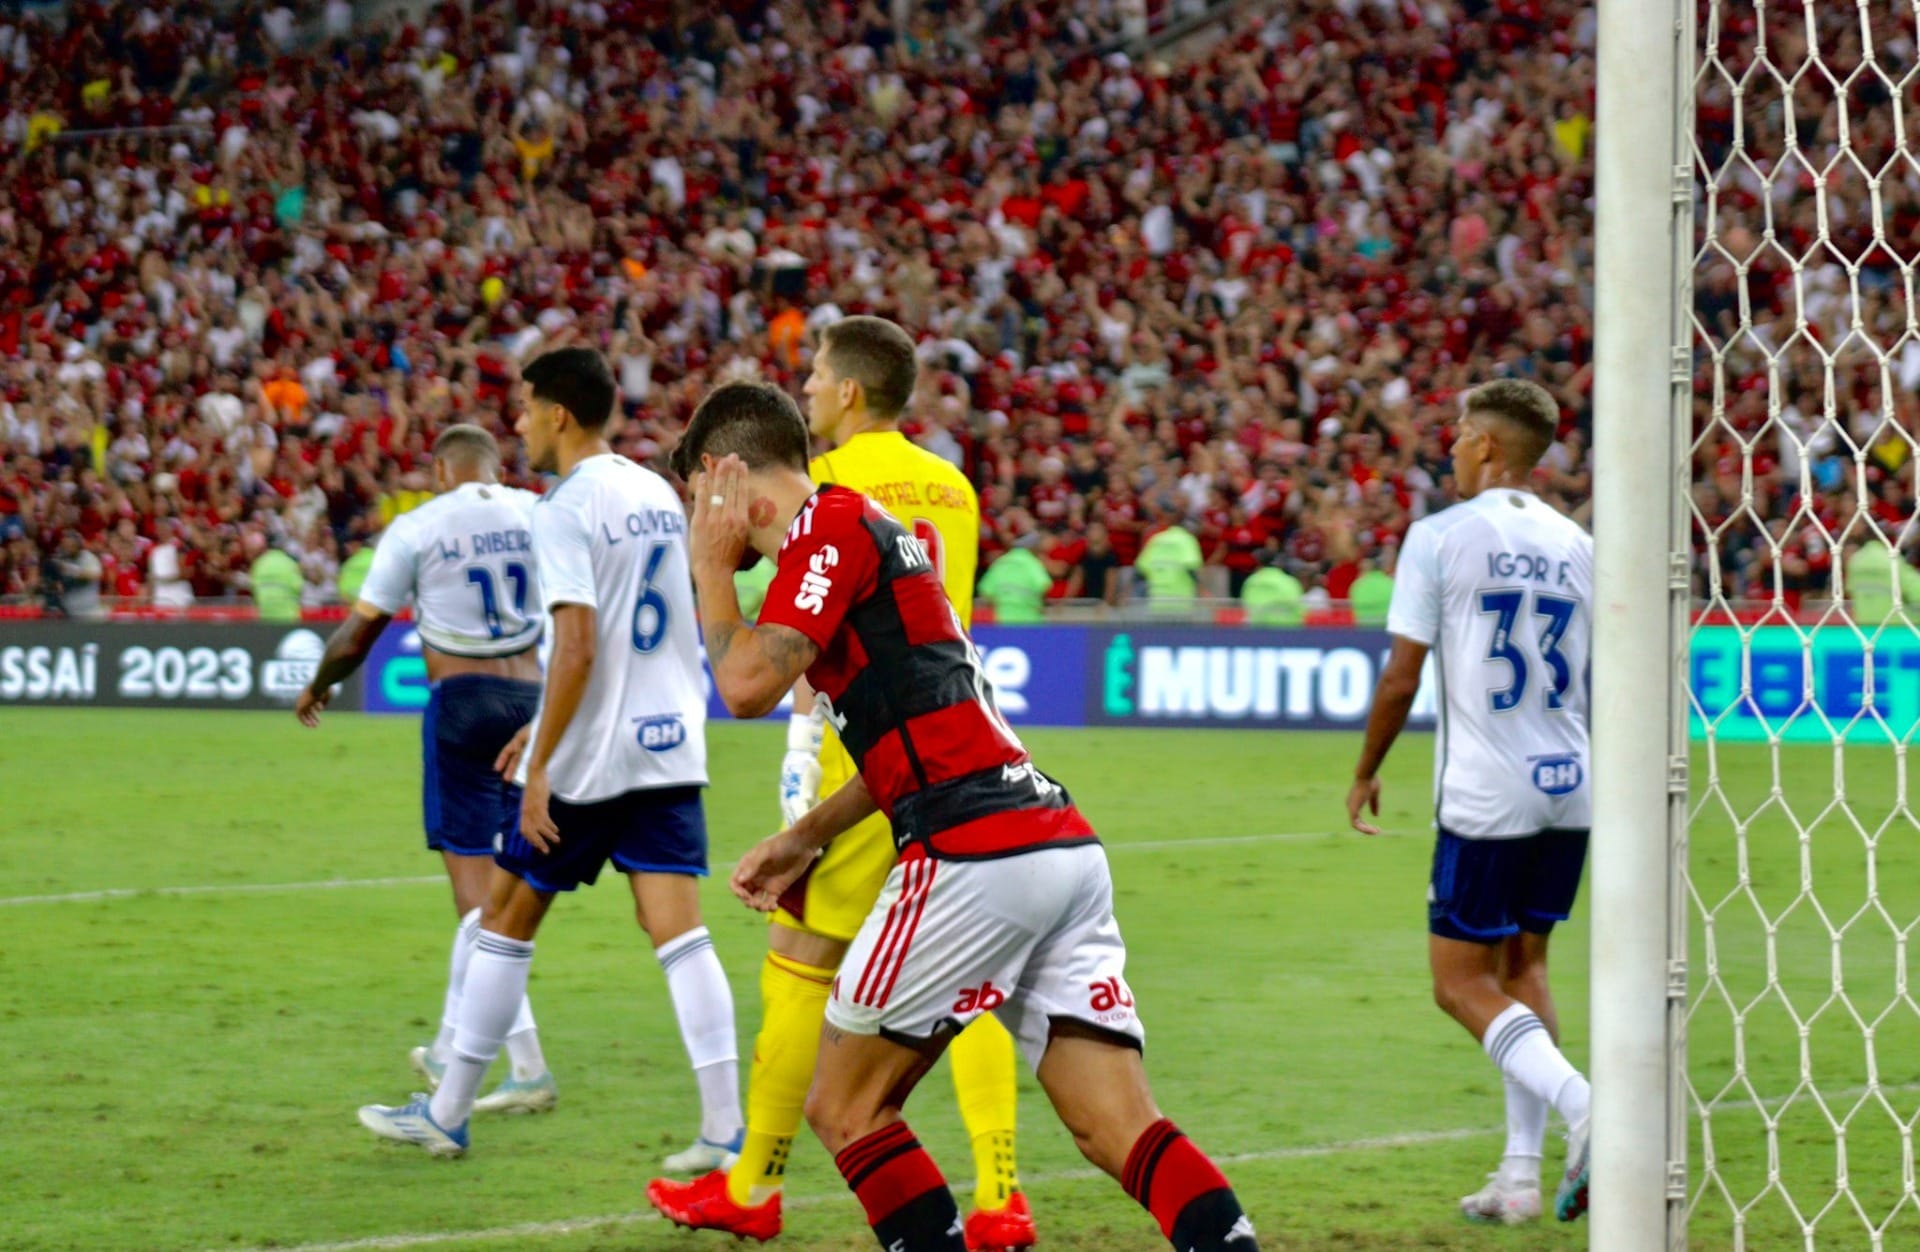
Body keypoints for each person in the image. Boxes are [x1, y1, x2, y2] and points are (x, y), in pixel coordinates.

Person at [670, 380, 1259, 1252]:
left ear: (723, 475)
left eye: (697, 497)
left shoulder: (826, 530)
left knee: (847, 1105)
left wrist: (710, 567)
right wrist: (805, 835)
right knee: (1114, 1126)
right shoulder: (871, 532)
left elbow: (747, 685)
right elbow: (918, 737)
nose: (696, 517)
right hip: (1050, 843)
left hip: (969, 852)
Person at [648, 316, 1034, 1251]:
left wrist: (800, 773)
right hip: (953, 731)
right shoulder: (951, 484)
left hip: (854, 753)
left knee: (797, 961)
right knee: (969, 972)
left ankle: (755, 1183)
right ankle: (999, 1194)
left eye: (817, 375)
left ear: (850, 393)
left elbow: (786, 651)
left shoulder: (825, 491)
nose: (811, 389)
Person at [356, 348, 743, 1165]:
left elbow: (573, 644)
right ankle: (723, 1126)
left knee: (504, 916)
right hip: (668, 740)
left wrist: (540, 769)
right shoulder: (652, 490)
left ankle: (448, 1111)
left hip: (592, 760)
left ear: (559, 415)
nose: (522, 424)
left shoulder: (562, 507)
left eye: (529, 408)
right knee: (677, 930)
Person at [1345, 379, 1595, 1225]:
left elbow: (1402, 675)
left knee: (1458, 983)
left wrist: (1366, 766)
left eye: (1457, 434)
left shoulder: (1441, 536)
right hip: (1571, 781)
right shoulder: (1578, 545)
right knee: (1524, 967)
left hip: (1489, 790)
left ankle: (1589, 1110)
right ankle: (1521, 1178)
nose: (1449, 446)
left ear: (1488, 447)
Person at [296, 424, 555, 1116]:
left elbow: (360, 632)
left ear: (441, 468)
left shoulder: (420, 525)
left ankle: (521, 1064)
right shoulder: (536, 512)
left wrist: (320, 683)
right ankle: (457, 1049)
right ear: (496, 469)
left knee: (477, 900)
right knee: (504, 894)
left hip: (463, 707)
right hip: (534, 705)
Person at [977, 542, 1053, 624]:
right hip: (1030, 618)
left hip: (1004, 618)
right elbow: (1044, 585)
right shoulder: (1031, 562)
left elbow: (985, 590)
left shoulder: (1000, 563)